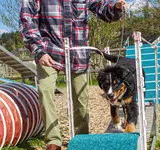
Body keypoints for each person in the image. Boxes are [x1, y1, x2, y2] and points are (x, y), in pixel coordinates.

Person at [20, 0, 126, 149]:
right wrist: (38, 50)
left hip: (78, 53)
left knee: (81, 98)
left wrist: (115, 8)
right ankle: (53, 141)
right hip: (48, 50)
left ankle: (81, 139)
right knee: (45, 90)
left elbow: (103, 9)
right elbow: (27, 19)